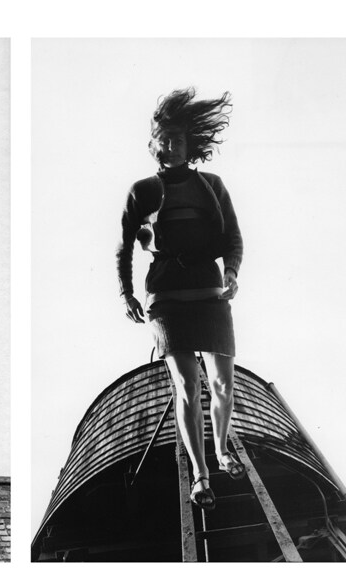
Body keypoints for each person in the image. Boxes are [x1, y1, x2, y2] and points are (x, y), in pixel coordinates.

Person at [116, 87, 246, 511]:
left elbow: (232, 238)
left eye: (178, 139)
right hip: (166, 299)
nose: (170, 145)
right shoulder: (142, 190)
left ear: (190, 145)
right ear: (155, 145)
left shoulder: (212, 186)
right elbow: (123, 247)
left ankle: (223, 449)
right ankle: (201, 475)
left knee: (224, 384)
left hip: (210, 296)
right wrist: (127, 293)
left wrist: (231, 271)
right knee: (188, 386)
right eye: (164, 139)